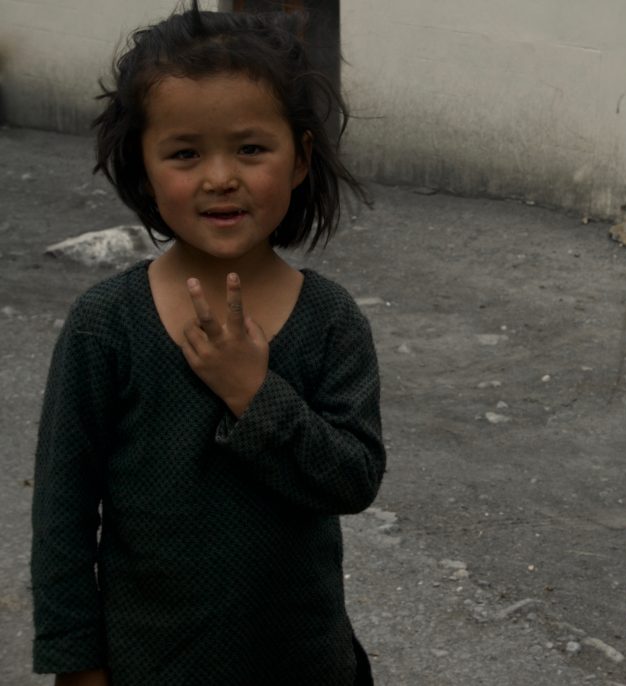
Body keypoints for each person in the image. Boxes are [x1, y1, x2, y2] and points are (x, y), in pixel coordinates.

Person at [30, 3, 384, 685]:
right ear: (143, 164)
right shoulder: (105, 325)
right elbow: (62, 514)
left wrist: (255, 392)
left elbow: (354, 477)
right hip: (152, 664)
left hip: (304, 663)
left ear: (301, 158)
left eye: (251, 149)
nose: (220, 177)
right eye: (186, 153)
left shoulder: (330, 320)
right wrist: (76, 663)